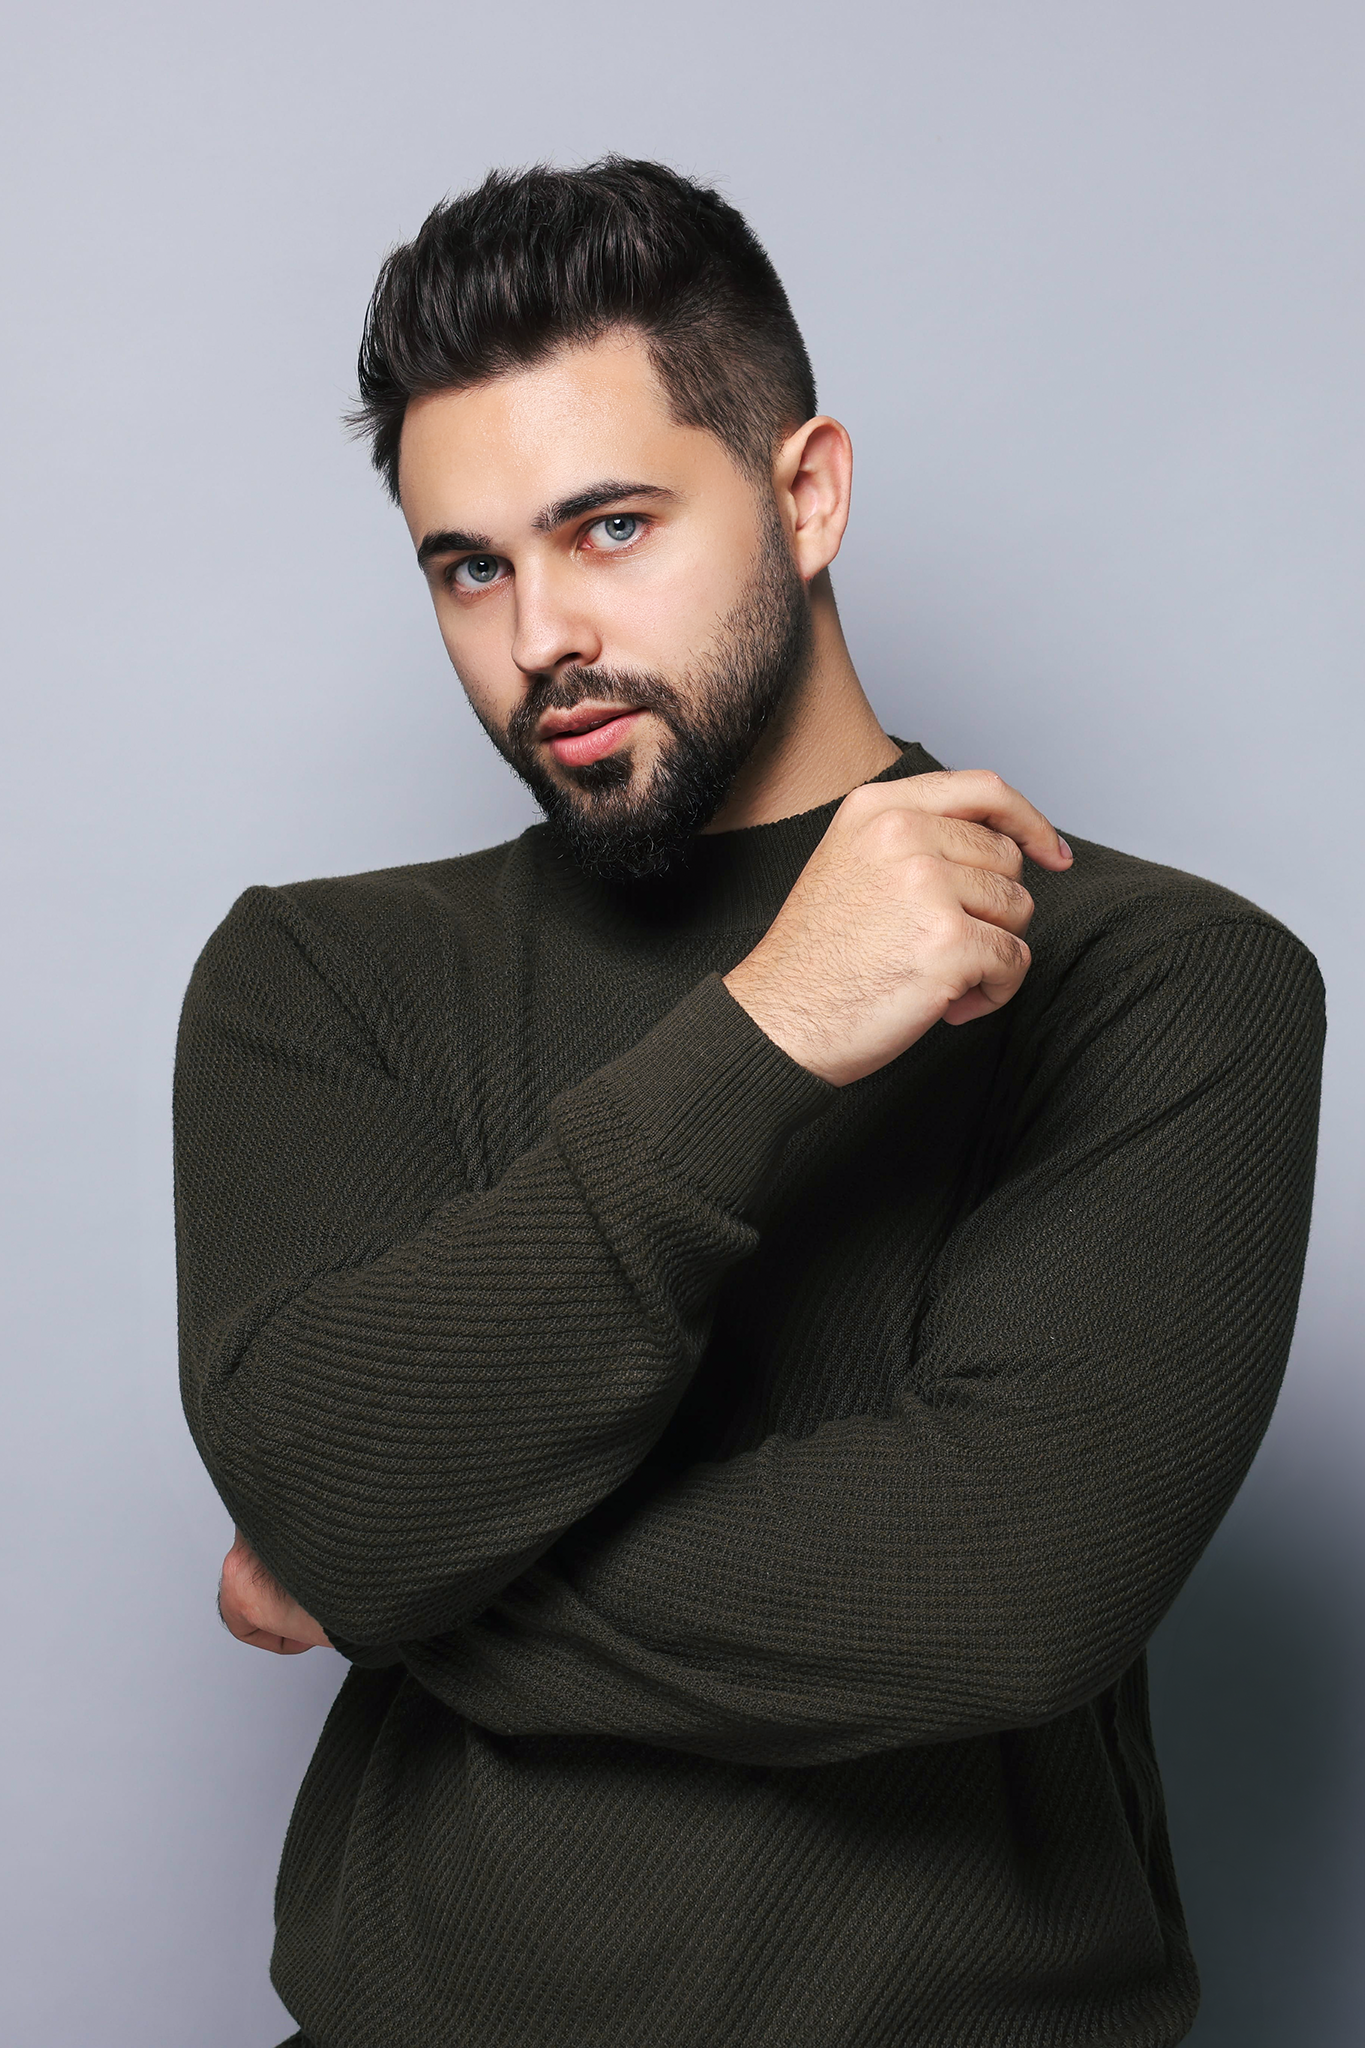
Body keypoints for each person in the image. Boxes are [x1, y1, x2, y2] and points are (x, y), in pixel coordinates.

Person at [175, 159, 1325, 2048]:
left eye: (610, 526)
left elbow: (1004, 1592)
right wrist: (770, 1028)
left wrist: (404, 1570)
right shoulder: (320, 975)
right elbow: (324, 1476)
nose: (539, 635)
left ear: (809, 496)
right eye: (470, 567)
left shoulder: (1163, 980)